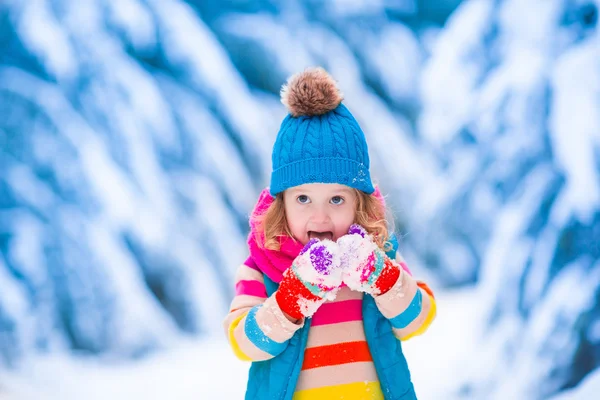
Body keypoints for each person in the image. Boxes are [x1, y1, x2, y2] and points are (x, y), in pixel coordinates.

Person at [223, 67, 436, 400]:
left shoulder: (378, 256)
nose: (320, 215)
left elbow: (417, 320)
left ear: (359, 204)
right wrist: (288, 301)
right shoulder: (262, 267)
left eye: (336, 199)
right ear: (282, 203)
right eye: (303, 198)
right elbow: (244, 342)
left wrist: (381, 278)